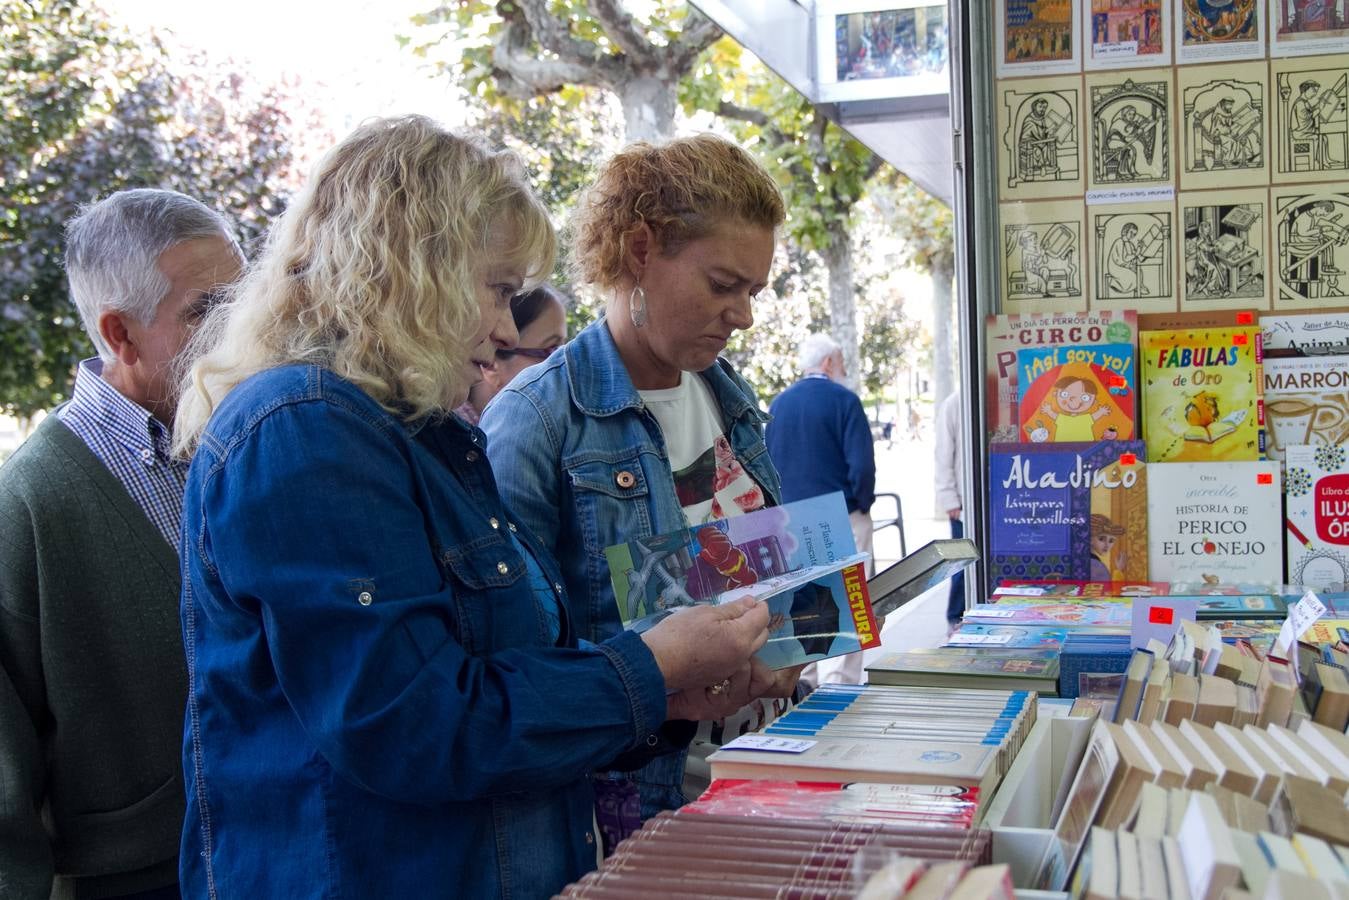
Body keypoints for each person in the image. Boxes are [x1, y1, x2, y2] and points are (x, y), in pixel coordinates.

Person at [169, 116, 772, 899]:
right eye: (496, 291)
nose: (501, 329)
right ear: (411, 269)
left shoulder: (415, 434)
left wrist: (662, 700)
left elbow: (507, 680)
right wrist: (649, 669)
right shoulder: (303, 430)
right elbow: (414, 727)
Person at [481, 134, 799, 841]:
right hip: (633, 810)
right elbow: (515, 671)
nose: (743, 316)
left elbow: (761, 579)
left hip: (763, 774)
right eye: (723, 285)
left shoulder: (730, 396)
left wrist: (787, 643)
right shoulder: (535, 422)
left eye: (752, 291)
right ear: (639, 251)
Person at [0, 189, 244, 899]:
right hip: (140, 880)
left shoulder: (244, 443)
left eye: (243, 298)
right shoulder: (30, 501)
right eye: (206, 309)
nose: (241, 330)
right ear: (120, 334)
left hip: (274, 849)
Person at [765, 333, 877, 687]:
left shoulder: (778, 405)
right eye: (841, 361)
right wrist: (862, 503)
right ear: (829, 362)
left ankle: (804, 681)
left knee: (804, 602)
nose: (843, 369)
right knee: (852, 602)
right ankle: (842, 682)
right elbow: (862, 466)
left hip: (791, 519)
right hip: (842, 514)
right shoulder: (845, 401)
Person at [455, 284, 568, 425]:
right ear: (491, 366)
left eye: (564, 350)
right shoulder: (443, 440)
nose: (566, 366)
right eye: (552, 350)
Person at [934, 390, 965, 627]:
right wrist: (949, 497)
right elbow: (944, 453)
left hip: (991, 502)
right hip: (963, 504)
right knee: (961, 564)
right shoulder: (954, 403)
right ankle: (955, 618)